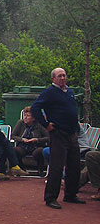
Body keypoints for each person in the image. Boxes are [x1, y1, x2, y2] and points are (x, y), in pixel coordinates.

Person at [31, 67, 85, 209]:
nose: (62, 78)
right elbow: (35, 108)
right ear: (53, 79)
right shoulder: (49, 93)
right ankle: (50, 198)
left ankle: (70, 194)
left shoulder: (70, 92)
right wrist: (46, 124)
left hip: (72, 134)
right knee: (56, 166)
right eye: (59, 76)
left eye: (64, 75)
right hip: (58, 134)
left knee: (74, 165)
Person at [12, 107, 49, 176]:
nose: (25, 117)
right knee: (15, 150)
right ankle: (22, 168)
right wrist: (22, 139)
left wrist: (37, 139)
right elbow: (13, 135)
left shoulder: (39, 125)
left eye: (28, 116)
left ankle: (40, 170)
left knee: (40, 151)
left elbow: (48, 137)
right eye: (24, 115)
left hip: (35, 146)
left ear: (34, 118)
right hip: (23, 145)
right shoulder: (20, 123)